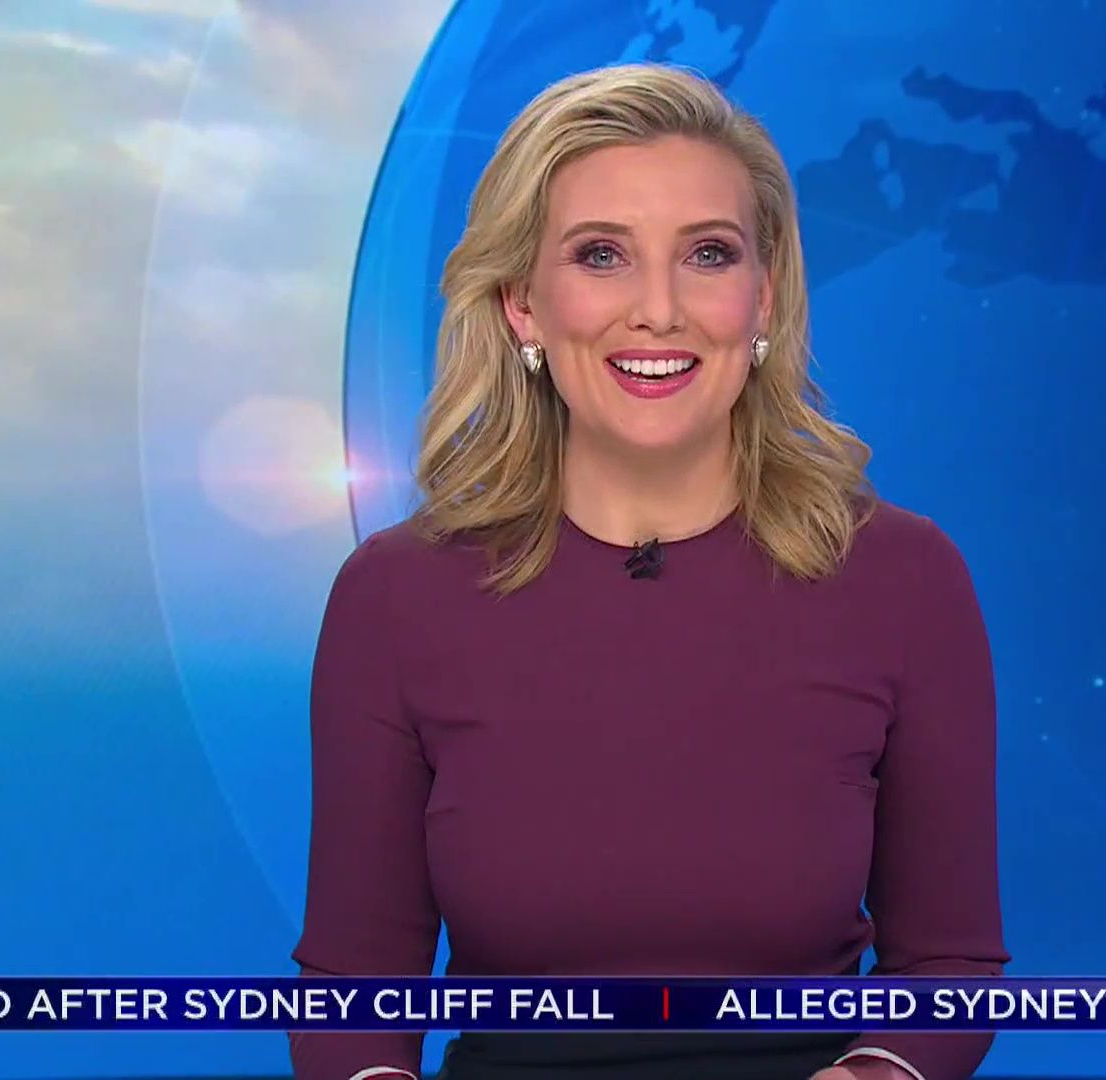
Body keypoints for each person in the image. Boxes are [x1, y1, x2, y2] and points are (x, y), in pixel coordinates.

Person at [290, 62, 1009, 1080]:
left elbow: (950, 968)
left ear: (763, 297)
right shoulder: (394, 596)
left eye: (708, 254)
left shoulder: (904, 579)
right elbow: (353, 992)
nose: (659, 311)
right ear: (522, 305)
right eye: (602, 255)